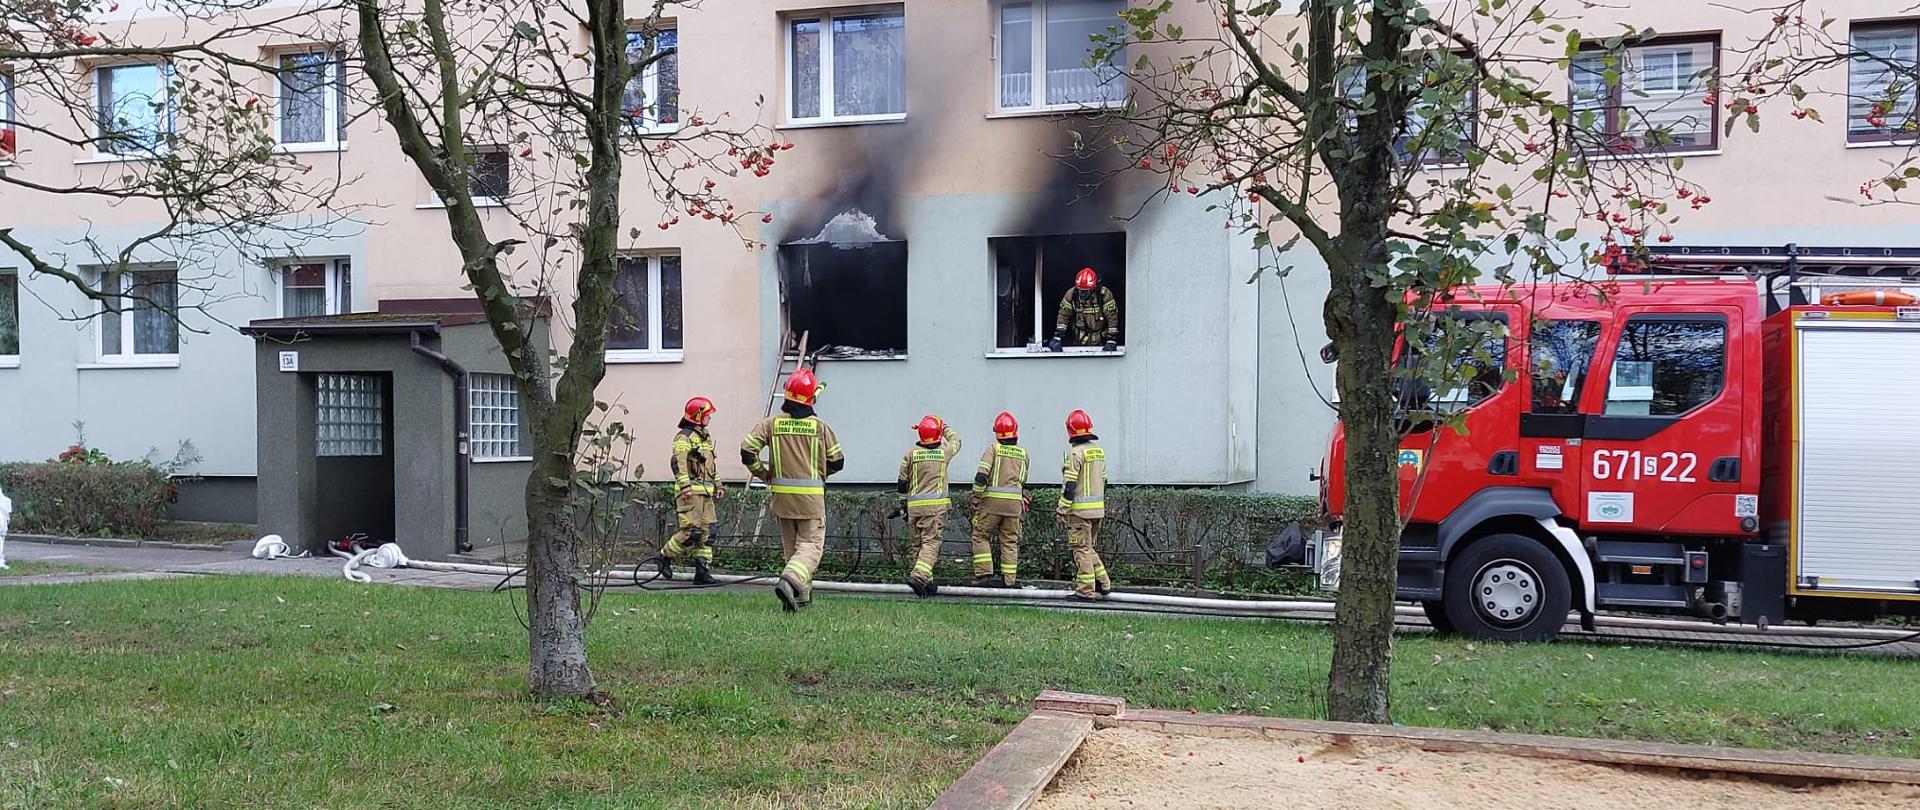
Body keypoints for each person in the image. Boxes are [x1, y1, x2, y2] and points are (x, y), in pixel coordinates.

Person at [741, 369, 844, 611]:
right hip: (810, 501)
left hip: (782, 500)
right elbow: (837, 461)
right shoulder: (819, 427)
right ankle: (790, 581)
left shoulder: (771, 424)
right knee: (810, 547)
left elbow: (747, 451)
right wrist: (820, 473)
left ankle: (799, 598)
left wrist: (763, 474)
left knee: (793, 551)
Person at [657, 396, 723, 585]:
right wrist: (685, 487)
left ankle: (702, 573)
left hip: (706, 493)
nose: (710, 417)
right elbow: (678, 464)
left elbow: (710, 465)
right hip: (690, 494)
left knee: (708, 532)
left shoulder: (705, 436)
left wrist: (718, 485)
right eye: (708, 414)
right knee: (691, 531)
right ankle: (664, 556)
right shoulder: (683, 438)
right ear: (698, 416)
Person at [897, 415, 962, 596]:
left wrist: (903, 505)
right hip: (934, 509)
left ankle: (927, 584)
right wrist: (945, 426)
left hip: (914, 508)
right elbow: (957, 441)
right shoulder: (944, 451)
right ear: (938, 434)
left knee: (918, 545)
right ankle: (919, 575)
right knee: (931, 543)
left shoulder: (910, 454)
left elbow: (902, 483)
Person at [1058, 409, 1112, 600]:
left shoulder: (1075, 454)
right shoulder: (1098, 452)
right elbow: (1104, 480)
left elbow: (1070, 486)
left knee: (1081, 550)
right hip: (1097, 510)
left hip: (1079, 513)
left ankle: (1085, 591)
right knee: (1088, 548)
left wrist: (1062, 510)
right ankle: (1103, 583)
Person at [969, 411, 1028, 587]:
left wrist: (976, 497)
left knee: (980, 535)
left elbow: (981, 476)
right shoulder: (1023, 454)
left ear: (997, 433)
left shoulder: (993, 450)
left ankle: (984, 575)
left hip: (991, 505)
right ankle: (1009, 581)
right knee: (1010, 540)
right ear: (1015, 431)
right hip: (1014, 506)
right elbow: (1023, 480)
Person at [1051, 267, 1120, 351]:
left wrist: (1111, 340)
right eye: (1080, 291)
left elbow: (1112, 317)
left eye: (1085, 291)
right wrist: (1057, 337)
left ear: (1093, 288)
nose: (1082, 294)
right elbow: (1063, 315)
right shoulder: (1071, 295)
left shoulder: (1104, 295)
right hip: (1079, 340)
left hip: (1101, 340)